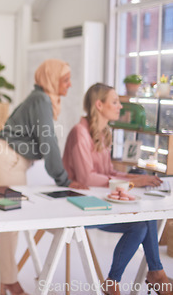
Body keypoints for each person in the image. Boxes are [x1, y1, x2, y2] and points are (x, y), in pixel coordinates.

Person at [0, 59, 84, 295]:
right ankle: (9, 281)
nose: (69, 85)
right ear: (51, 78)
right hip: (7, 162)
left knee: (7, 226)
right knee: (11, 224)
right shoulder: (41, 99)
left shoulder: (38, 98)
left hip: (6, 160)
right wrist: (64, 181)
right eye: (65, 80)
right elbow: (49, 143)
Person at [62, 83, 171, 295]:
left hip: (100, 200)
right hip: (80, 206)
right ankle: (156, 273)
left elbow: (109, 172)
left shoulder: (103, 132)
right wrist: (133, 182)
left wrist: (136, 178)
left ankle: (113, 281)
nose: (120, 106)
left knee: (141, 224)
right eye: (115, 102)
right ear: (99, 105)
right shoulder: (80, 132)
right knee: (144, 218)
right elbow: (86, 177)